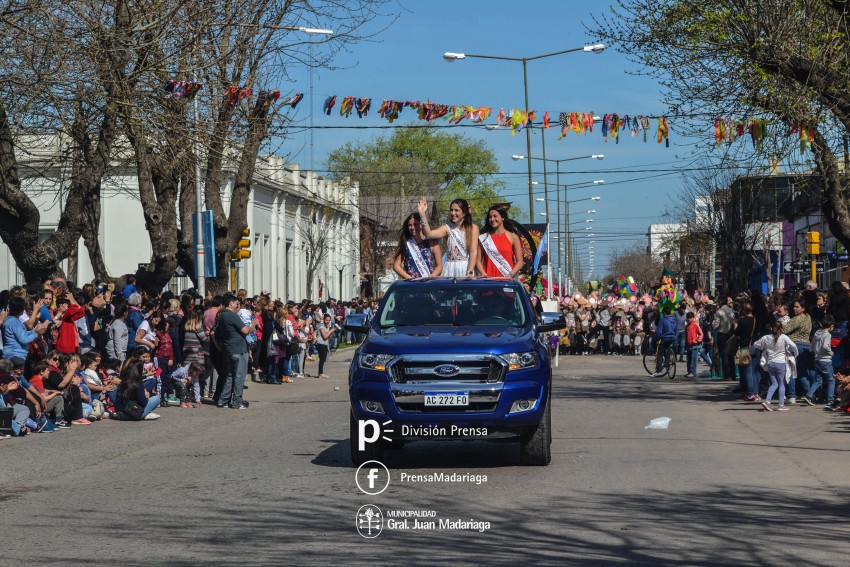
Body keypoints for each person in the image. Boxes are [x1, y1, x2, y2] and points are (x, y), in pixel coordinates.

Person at [417, 197, 479, 278]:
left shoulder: (473, 228)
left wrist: (470, 272)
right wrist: (422, 214)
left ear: (464, 212)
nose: (453, 213)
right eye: (451, 210)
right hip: (450, 268)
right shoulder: (447, 228)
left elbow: (473, 252)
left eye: (456, 210)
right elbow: (429, 234)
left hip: (466, 268)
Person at [215, 294, 258, 409]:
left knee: (229, 375)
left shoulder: (222, 316)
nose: (238, 305)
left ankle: (223, 400)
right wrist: (253, 324)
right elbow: (245, 330)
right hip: (238, 349)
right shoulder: (232, 316)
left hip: (228, 348)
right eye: (236, 303)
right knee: (239, 376)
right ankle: (237, 402)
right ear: (230, 303)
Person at [756, 322, 798, 412]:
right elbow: (794, 345)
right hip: (781, 363)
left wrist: (764, 348)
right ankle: (781, 405)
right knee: (781, 384)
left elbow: (756, 344)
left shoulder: (766, 337)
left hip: (770, 363)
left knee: (774, 384)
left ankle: (767, 401)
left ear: (771, 328)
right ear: (781, 329)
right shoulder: (784, 337)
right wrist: (796, 354)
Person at [475, 205, 524, 278]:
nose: (492, 219)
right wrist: (484, 274)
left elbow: (520, 262)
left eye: (495, 216)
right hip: (488, 280)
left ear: (503, 217)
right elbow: (477, 260)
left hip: (507, 280)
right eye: (490, 217)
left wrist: (510, 275)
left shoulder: (513, 237)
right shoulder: (484, 238)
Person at [392, 212, 443, 279]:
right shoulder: (406, 243)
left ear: (421, 225)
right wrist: (409, 278)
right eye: (410, 225)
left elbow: (439, 266)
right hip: (411, 284)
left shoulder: (432, 242)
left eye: (415, 224)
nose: (412, 227)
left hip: (428, 282)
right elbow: (396, 265)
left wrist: (431, 277)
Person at [783, 299, 813, 405]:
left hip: (794, 345)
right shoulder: (808, 317)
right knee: (802, 372)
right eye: (794, 307)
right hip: (806, 345)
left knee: (791, 371)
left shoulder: (796, 319)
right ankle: (810, 393)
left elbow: (784, 329)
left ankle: (791, 396)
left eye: (797, 307)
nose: (794, 309)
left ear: (803, 308)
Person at [805, 314, 835, 406]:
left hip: (817, 359)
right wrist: (831, 353)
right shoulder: (827, 335)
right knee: (831, 380)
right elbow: (826, 346)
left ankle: (809, 395)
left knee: (819, 381)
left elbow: (812, 346)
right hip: (825, 360)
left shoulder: (817, 333)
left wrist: (817, 353)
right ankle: (830, 399)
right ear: (831, 326)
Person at [652, 305, 677, 376]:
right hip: (672, 338)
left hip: (664, 338)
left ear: (664, 313)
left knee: (659, 353)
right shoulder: (674, 319)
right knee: (668, 349)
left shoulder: (663, 320)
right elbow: (676, 329)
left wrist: (657, 338)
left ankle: (659, 370)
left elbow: (659, 331)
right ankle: (668, 360)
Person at [316, 314, 338, 378]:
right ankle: (320, 373)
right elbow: (325, 337)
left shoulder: (327, 327)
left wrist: (332, 331)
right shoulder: (321, 327)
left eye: (329, 320)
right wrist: (331, 330)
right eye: (326, 320)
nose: (327, 321)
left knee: (323, 359)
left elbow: (328, 337)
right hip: (320, 344)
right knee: (322, 359)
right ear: (323, 320)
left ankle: (321, 373)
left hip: (325, 344)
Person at [684, 311, 703, 378]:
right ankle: (689, 371)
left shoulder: (695, 325)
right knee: (688, 359)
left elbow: (701, 334)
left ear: (693, 318)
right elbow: (686, 336)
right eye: (688, 318)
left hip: (695, 345)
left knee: (693, 359)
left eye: (690, 318)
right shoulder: (686, 326)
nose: (689, 319)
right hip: (689, 345)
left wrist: (697, 340)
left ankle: (693, 372)